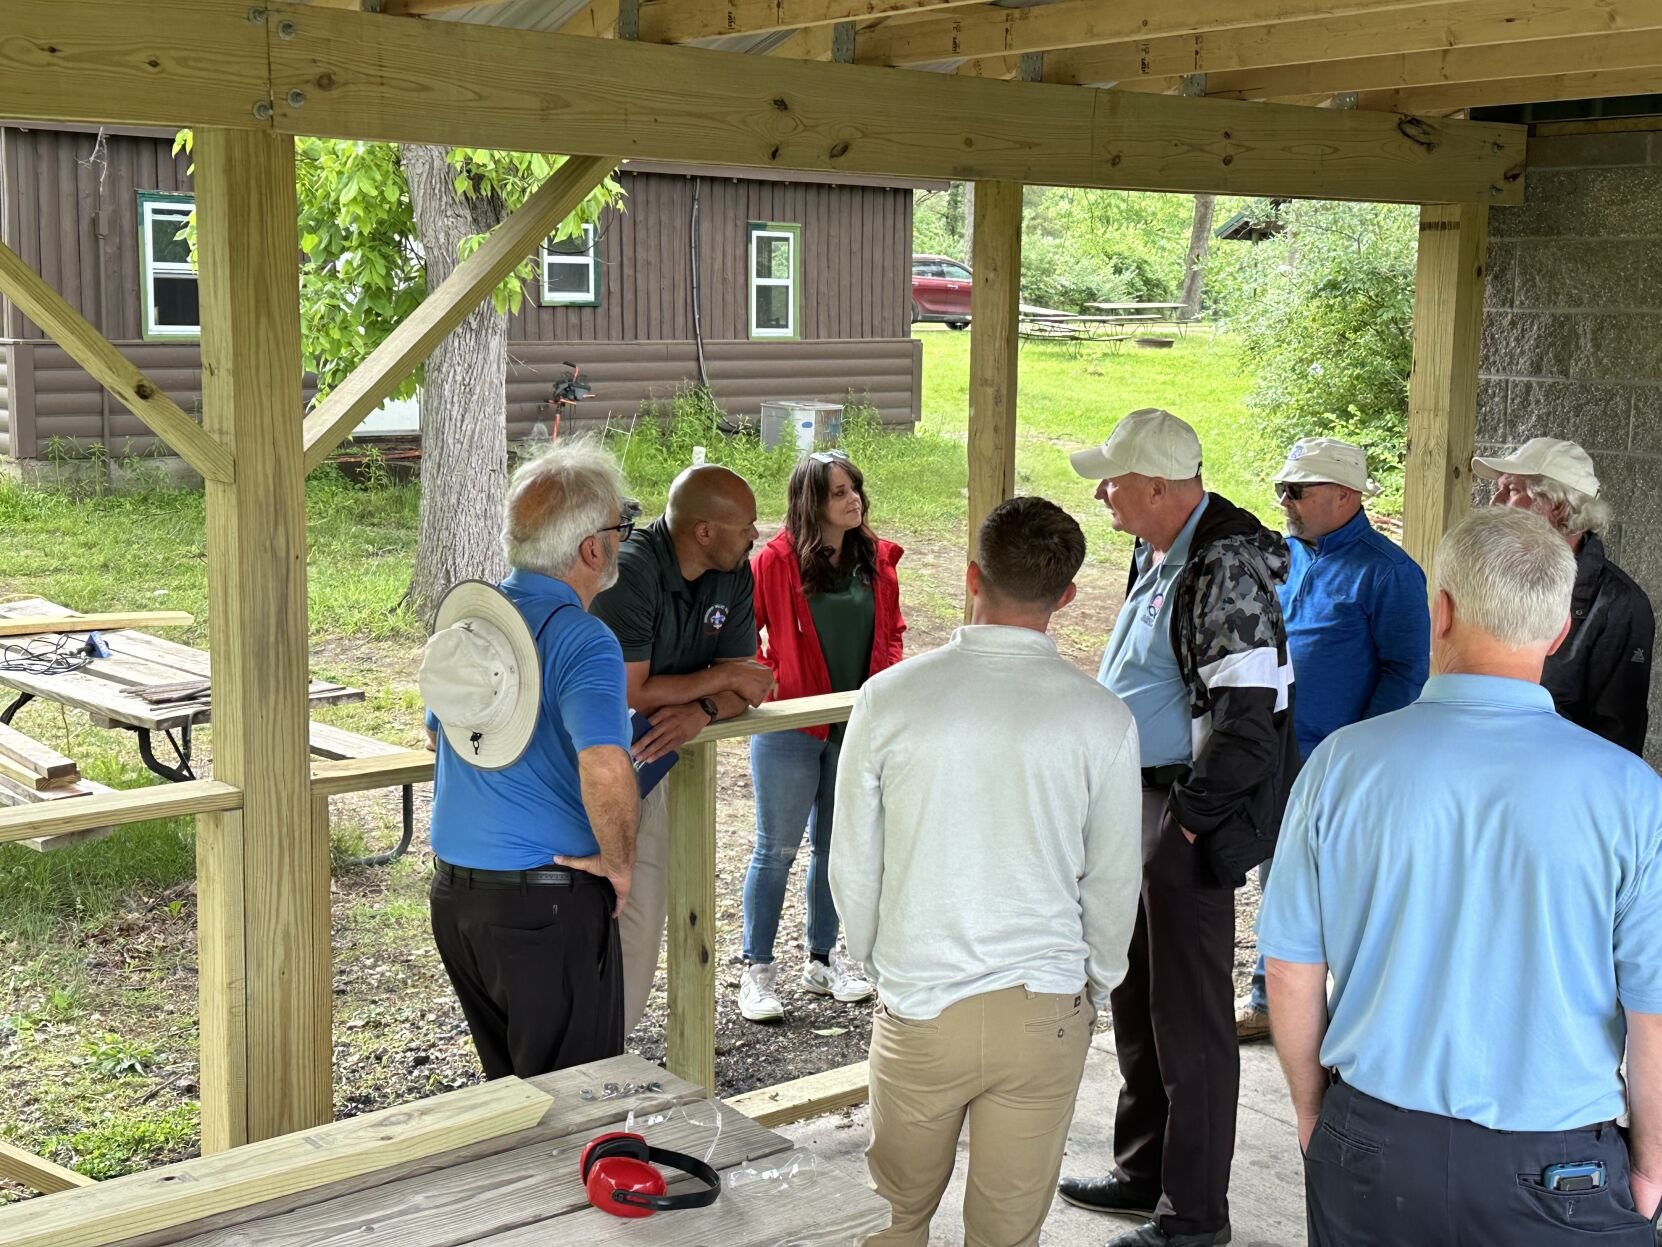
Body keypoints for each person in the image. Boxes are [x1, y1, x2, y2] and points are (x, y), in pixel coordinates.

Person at [1258, 506, 1662, 1246]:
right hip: (1559, 1160)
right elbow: (1653, 1010)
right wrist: (1653, 1163)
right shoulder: (1631, 793)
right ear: (1559, 632)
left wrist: (1316, 1114)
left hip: (1374, 1136)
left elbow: (1288, 968)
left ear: (1439, 610)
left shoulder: (1341, 766)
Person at [830, 495, 1143, 1247]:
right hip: (1044, 1003)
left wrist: (875, 958)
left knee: (894, 1215)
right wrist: (1096, 976)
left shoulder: (892, 697)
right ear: (1066, 596)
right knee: (1008, 1232)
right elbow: (1112, 877)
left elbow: (853, 860)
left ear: (973, 574)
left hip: (922, 1000)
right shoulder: (1102, 716)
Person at [1058, 408, 1299, 1247]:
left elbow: (1250, 717)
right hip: (1140, 799)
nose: (1101, 492)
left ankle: (1195, 1214)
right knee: (1138, 997)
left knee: (1191, 1022)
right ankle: (1144, 1169)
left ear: (1160, 486)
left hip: (1180, 806)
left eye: (1114, 479)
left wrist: (1190, 824)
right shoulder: (1162, 546)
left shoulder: (1226, 564)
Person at [418, 442, 641, 1078]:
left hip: (457, 893)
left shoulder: (475, 626)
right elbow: (604, 765)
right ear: (591, 550)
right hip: (545, 900)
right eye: (619, 529)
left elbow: (442, 736)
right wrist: (620, 866)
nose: (622, 544)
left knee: (510, 1093)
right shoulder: (584, 639)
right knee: (573, 1098)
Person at [1236, 437, 1430, 1043]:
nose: (1285, 501)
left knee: (1345, 886)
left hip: (1340, 759)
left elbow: (1407, 671)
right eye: (1281, 489)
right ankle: (1270, 999)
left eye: (1298, 490)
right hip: (1273, 749)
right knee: (1279, 875)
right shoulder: (1280, 557)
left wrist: (1364, 752)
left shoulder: (1389, 572)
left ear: (1345, 495)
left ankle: (1358, 1013)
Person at [590, 464, 777, 1033]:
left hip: (656, 761)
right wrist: (717, 683)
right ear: (702, 532)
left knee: (643, 914)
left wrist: (702, 710)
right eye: (745, 526)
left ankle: (610, 1047)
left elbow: (750, 684)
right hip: (593, 764)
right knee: (593, 910)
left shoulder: (735, 572)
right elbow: (629, 692)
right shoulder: (634, 571)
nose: (755, 536)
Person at [739, 449, 905, 1022]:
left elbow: (892, 632)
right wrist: (767, 681)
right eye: (838, 492)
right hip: (790, 728)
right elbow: (745, 633)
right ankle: (756, 971)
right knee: (776, 849)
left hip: (856, 728)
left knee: (836, 850)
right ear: (812, 502)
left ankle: (822, 960)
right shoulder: (776, 561)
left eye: (854, 487)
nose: (853, 498)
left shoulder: (876, 558)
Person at [1474, 436, 1654, 754]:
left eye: (1512, 490)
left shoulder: (1619, 604)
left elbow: (1616, 739)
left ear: (1557, 506)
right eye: (1497, 488)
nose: (1494, 502)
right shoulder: (1490, 573)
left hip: (1552, 788)